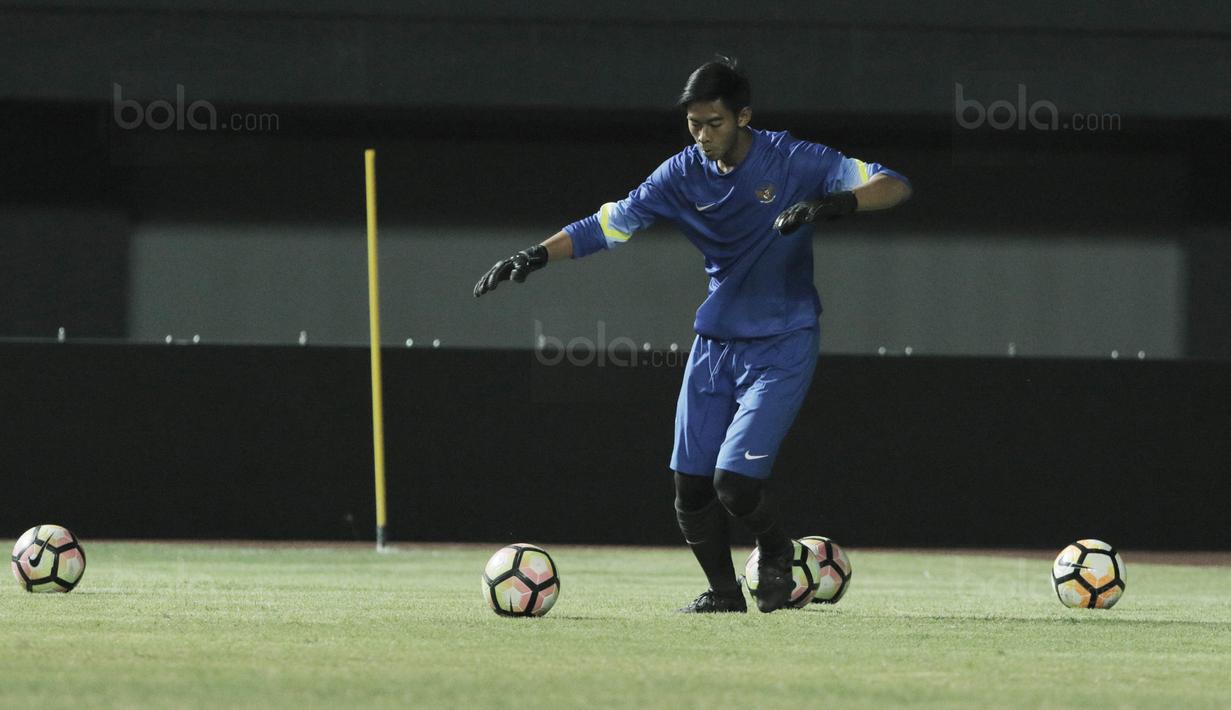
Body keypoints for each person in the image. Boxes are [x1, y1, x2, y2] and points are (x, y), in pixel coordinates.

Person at [473, 58, 912, 613]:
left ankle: (777, 551)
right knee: (690, 487)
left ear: (744, 117)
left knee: (736, 486)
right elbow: (610, 224)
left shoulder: (794, 159)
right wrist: (535, 254)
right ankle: (725, 595)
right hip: (715, 347)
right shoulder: (680, 174)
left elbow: (894, 184)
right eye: (694, 124)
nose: (702, 136)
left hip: (783, 342)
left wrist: (837, 201)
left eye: (714, 124)